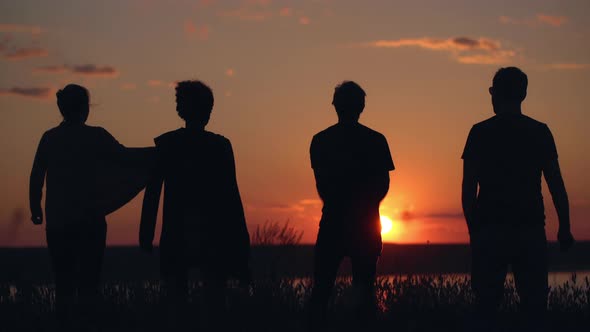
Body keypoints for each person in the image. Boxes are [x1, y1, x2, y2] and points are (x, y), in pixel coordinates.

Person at [29, 84, 151, 330]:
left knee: (63, 283)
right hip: (89, 222)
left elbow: (36, 176)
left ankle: (65, 325)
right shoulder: (96, 136)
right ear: (85, 109)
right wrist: (158, 154)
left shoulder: (49, 138)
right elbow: (126, 157)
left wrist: (35, 208)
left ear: (62, 109)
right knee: (89, 284)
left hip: (58, 223)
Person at [461, 67, 575, 331]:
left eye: (491, 91)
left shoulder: (479, 132)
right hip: (530, 229)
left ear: (496, 94)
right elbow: (556, 185)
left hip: (490, 231)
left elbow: (468, 190)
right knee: (535, 308)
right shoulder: (540, 132)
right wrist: (565, 227)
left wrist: (474, 232)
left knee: (486, 309)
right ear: (523, 94)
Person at [139, 80, 250, 330]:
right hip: (210, 233)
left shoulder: (168, 144)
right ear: (208, 111)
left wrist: (146, 233)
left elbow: (152, 191)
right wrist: (241, 243)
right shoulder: (220, 146)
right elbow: (232, 197)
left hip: (181, 232)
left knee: (179, 303)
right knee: (212, 303)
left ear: (182, 110)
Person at [308, 81, 395, 329]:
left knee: (322, 290)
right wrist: (365, 207)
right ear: (362, 106)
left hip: (333, 222)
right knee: (365, 293)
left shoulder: (320, 140)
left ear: (335, 106)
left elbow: (322, 186)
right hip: (366, 226)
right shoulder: (376, 140)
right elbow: (383, 185)